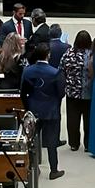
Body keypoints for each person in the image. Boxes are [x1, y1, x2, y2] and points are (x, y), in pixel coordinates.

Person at [20, 42, 65, 180]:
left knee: (30, 140)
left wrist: (28, 108)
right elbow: (61, 93)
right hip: (51, 109)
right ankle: (53, 170)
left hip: (33, 109)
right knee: (52, 141)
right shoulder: (55, 72)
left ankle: (33, 168)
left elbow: (23, 92)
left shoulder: (27, 71)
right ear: (48, 55)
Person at [60, 30, 92, 152]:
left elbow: (61, 69)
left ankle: (74, 143)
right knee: (88, 120)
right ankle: (88, 144)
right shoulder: (92, 55)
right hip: (88, 92)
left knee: (72, 119)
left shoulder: (68, 53)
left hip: (72, 92)